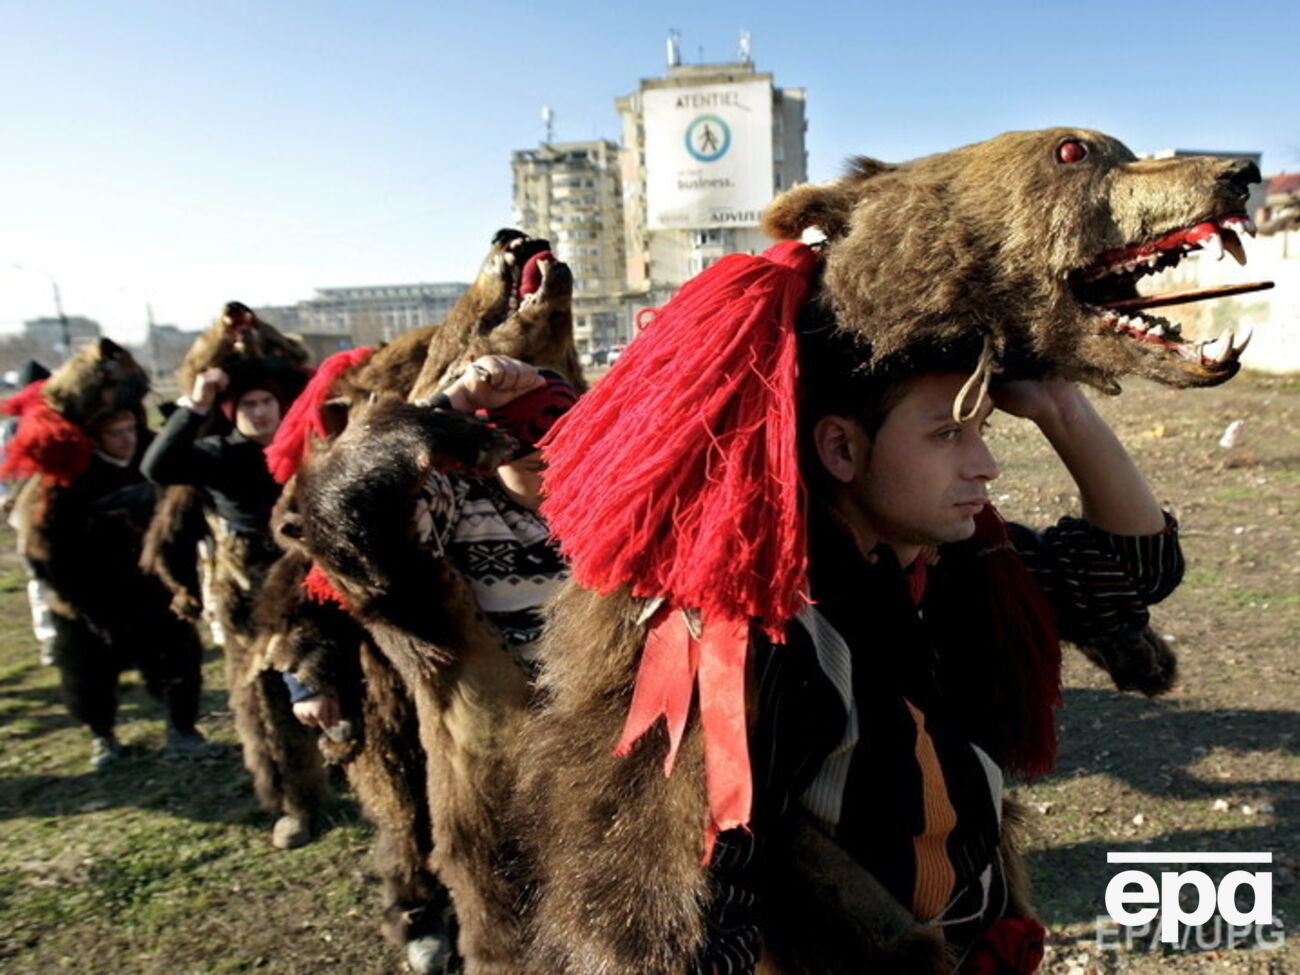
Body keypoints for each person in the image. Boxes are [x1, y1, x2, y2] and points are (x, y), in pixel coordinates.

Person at [691, 331, 1184, 972]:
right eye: (947, 435)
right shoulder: (782, 628)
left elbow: (1135, 569)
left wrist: (1060, 406)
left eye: (983, 430)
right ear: (842, 447)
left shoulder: (958, 564)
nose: (986, 465)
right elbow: (714, 885)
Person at [291, 353, 579, 973]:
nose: (545, 457)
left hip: (599, 758)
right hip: (496, 763)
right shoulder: (459, 508)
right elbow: (353, 515)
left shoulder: (612, 505)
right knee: (510, 929)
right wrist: (448, 408)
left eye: (561, 438)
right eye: (524, 442)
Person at [142, 364, 326, 849]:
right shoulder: (218, 455)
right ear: (233, 412)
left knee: (335, 681)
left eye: (267, 401)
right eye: (248, 405)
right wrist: (197, 404)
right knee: (268, 701)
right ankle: (295, 803)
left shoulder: (307, 445)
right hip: (250, 589)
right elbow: (157, 467)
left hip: (315, 574)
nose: (260, 411)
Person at [42, 408, 211, 770]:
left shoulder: (151, 458)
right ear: (95, 438)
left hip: (153, 583)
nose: (126, 440)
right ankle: (103, 735)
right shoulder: (68, 474)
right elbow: (52, 546)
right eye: (115, 433)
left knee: (179, 657)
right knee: (91, 671)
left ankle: (182, 729)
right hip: (92, 592)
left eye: (130, 429)